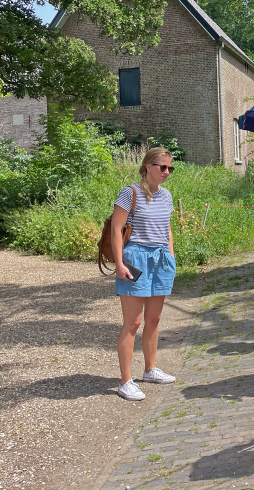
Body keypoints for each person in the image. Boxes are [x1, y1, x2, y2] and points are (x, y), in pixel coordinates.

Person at [111, 147, 178, 401]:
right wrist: (119, 263)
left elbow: (167, 228)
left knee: (154, 318)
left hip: (160, 259)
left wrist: (170, 254)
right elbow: (116, 230)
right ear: (148, 166)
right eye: (163, 167)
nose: (167, 172)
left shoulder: (167, 195)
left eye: (170, 168)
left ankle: (150, 369)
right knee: (133, 322)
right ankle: (125, 381)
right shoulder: (130, 193)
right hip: (136, 258)